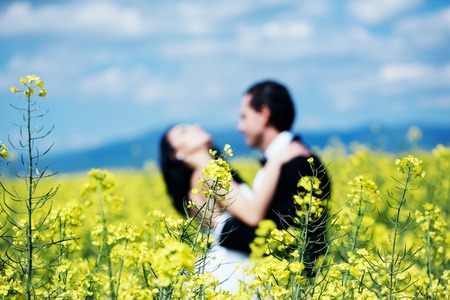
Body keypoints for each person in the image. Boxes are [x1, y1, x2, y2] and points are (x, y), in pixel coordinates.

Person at [159, 123, 300, 292]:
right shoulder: (208, 172)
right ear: (177, 154)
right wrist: (276, 162)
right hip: (234, 269)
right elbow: (252, 215)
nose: (196, 126)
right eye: (184, 132)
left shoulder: (203, 175)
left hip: (232, 263)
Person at [215, 80, 331, 277]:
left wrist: (220, 227)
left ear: (263, 114)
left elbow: (284, 239)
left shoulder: (298, 165)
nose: (239, 127)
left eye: (244, 117)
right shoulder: (287, 160)